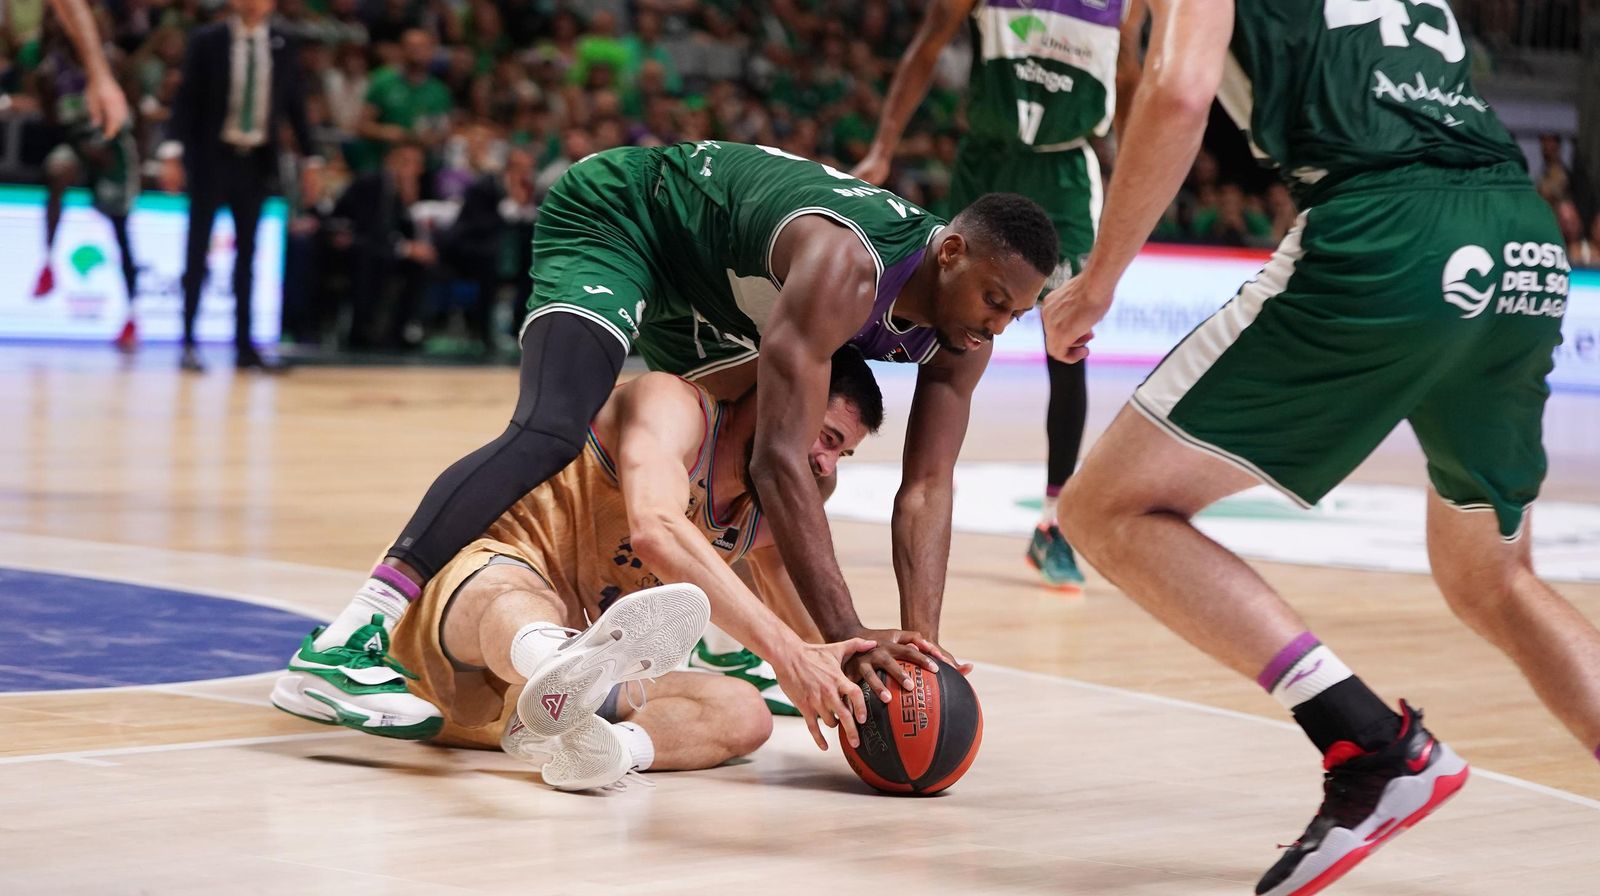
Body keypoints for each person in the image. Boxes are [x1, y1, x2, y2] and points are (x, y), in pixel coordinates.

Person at [1040, 1, 1596, 894]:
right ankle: (1380, 750)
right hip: (1521, 233)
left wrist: (1099, 280)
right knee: (1494, 577)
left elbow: (1180, 90)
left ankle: (1374, 746)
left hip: (1388, 230)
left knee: (1107, 507)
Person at [284, 139, 1057, 738]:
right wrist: (848, 635)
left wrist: (919, 644)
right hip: (630, 214)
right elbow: (778, 457)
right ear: (949, 252)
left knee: (742, 460)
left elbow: (926, 487)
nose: (995, 324)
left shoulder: (966, 338)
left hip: (711, 289)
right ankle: (352, 635)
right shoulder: (847, 269)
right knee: (554, 427)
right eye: (993, 300)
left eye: (1013, 313)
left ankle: (726, 644)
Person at [274, 350, 886, 789]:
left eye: (843, 453)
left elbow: (818, 644)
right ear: (780, 401)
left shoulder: (775, 509)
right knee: (511, 588)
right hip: (455, 631)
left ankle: (602, 753)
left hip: (529, 716)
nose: (826, 465)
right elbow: (657, 529)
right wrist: (784, 650)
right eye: (826, 436)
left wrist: (877, 677)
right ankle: (557, 662)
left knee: (744, 711)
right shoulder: (674, 408)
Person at [852, 0, 1145, 591]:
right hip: (988, 161)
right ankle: (920, 490)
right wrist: (884, 146)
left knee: (1067, 348)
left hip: (1066, 174)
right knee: (949, 331)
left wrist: (1134, 181)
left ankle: (1052, 525)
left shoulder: (1126, 6)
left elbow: (1132, 83)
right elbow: (928, 46)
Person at [159, 0, 316, 373]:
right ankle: (188, 343)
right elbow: (186, 100)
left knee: (248, 256)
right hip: (212, 157)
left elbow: (295, 103)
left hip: (256, 161)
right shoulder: (207, 40)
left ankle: (245, 348)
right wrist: (171, 153)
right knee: (197, 251)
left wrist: (312, 159)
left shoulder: (282, 41)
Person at [29, 12, 141, 351]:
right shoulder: (50, 71)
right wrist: (81, 145)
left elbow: (135, 113)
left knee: (121, 228)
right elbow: (52, 122)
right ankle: (47, 262)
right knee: (58, 170)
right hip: (77, 143)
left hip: (114, 146)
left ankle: (132, 315)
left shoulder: (115, 63)